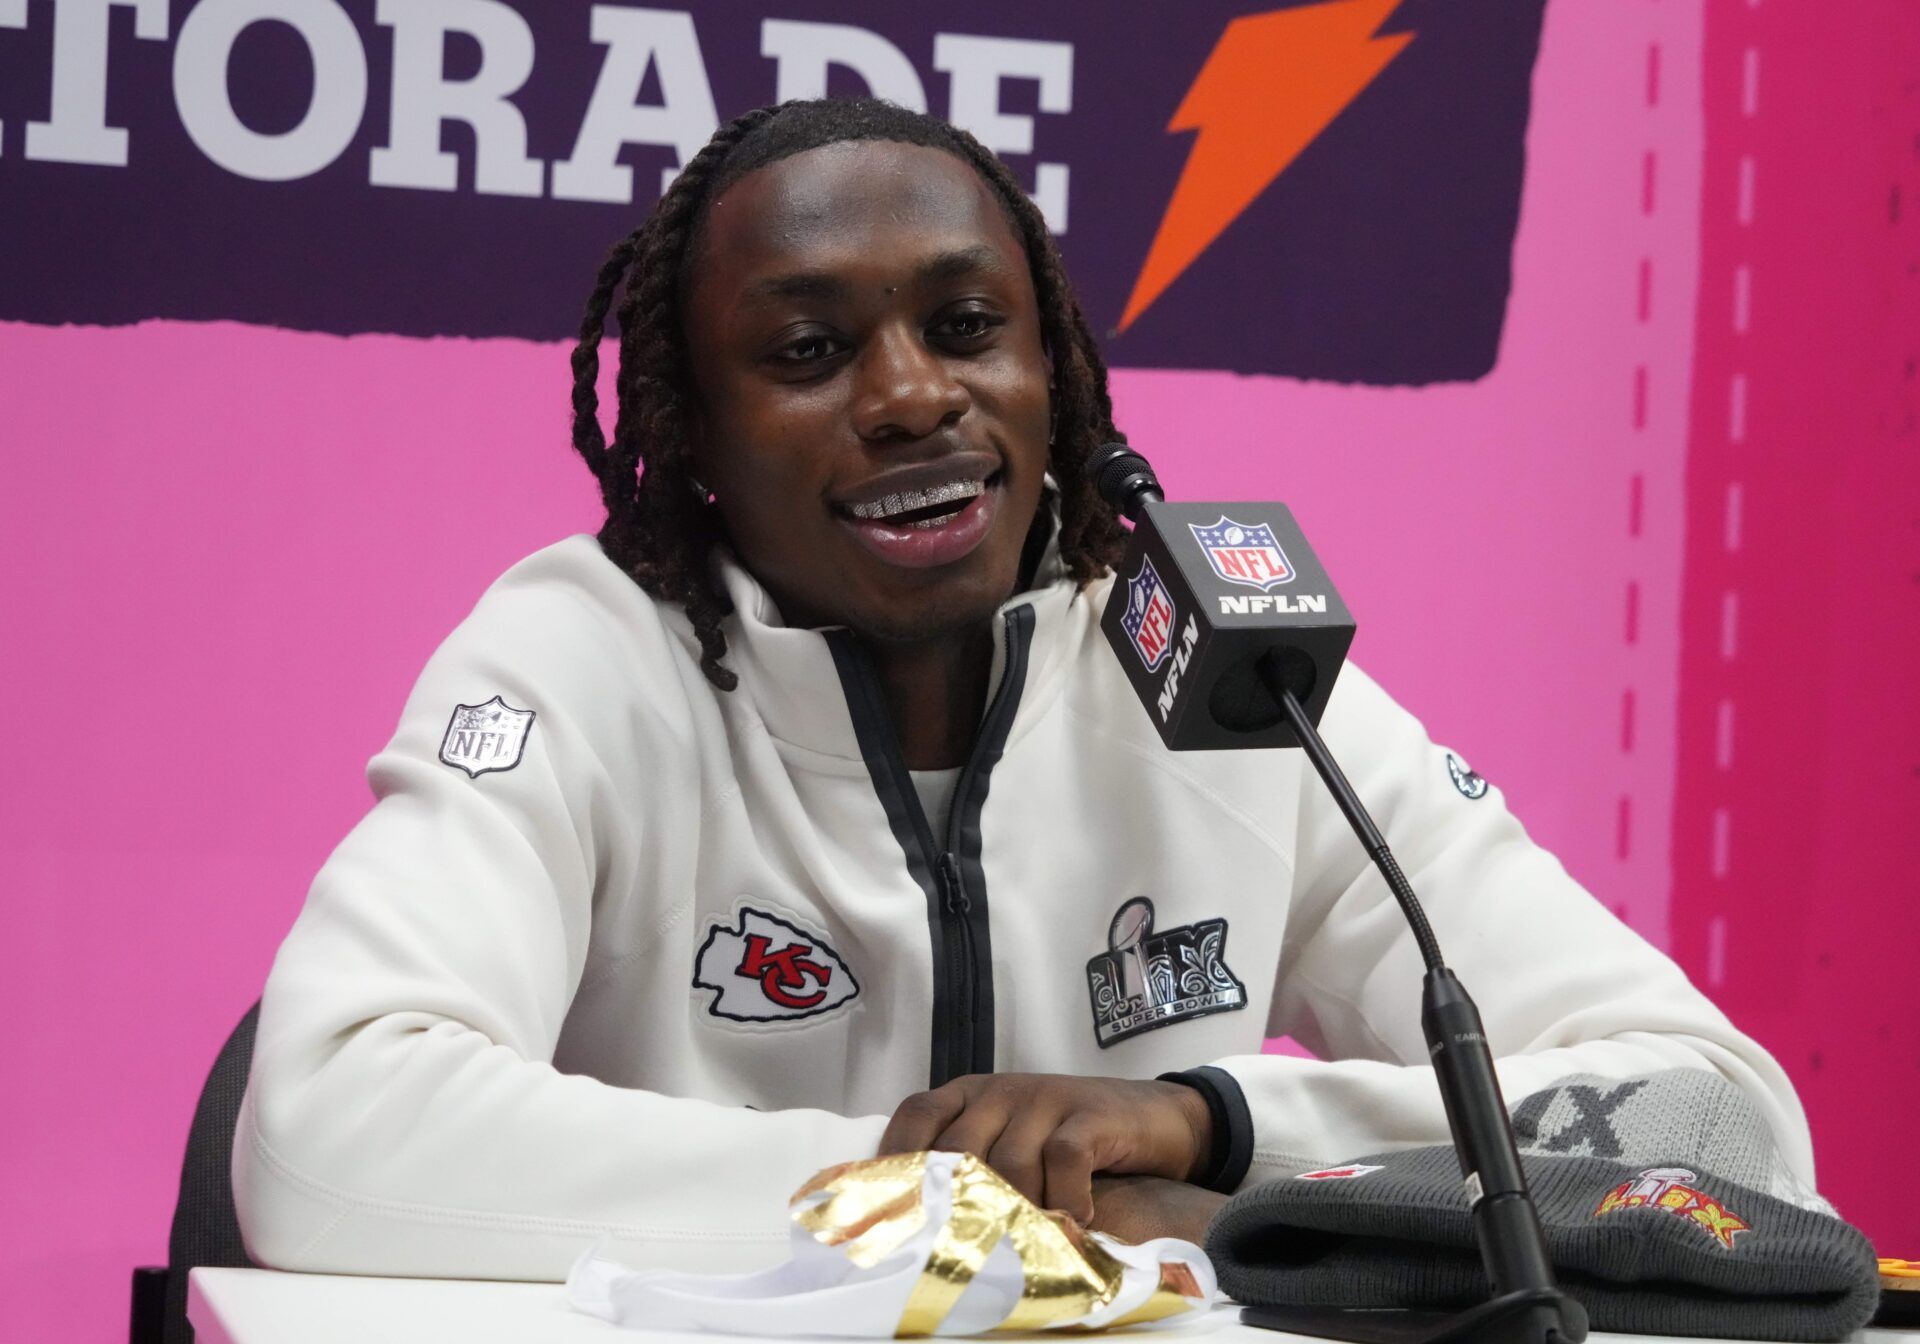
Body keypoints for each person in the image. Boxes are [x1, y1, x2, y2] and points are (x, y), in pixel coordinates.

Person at [233, 99, 1812, 1280]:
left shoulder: (1208, 671)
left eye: (969, 327)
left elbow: (1728, 1128)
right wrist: (946, 1196)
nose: (915, 394)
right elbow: (324, 1130)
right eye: (807, 351)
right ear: (693, 440)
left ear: (1052, 372)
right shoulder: (586, 658)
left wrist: (1217, 1131)